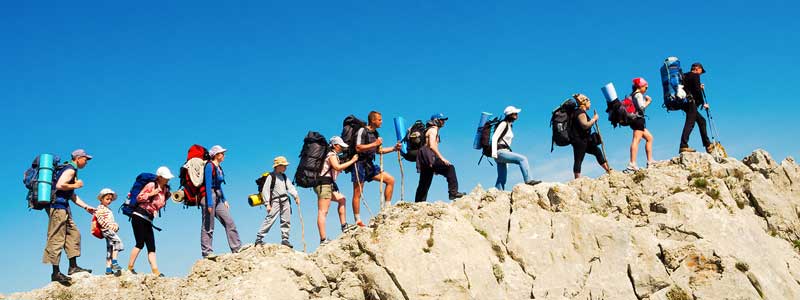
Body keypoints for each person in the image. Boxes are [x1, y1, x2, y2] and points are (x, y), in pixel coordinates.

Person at [43, 149, 96, 286]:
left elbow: (72, 195)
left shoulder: (71, 170)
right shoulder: (70, 170)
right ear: (78, 158)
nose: (86, 162)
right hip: (57, 207)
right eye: (85, 159)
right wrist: (76, 185)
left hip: (64, 207)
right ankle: (55, 273)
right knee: (57, 238)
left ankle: (73, 267)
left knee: (74, 234)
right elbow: (61, 185)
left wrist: (86, 206)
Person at [351, 111, 401, 226]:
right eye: (379, 120)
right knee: (358, 193)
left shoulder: (376, 133)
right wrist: (375, 143)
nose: (381, 121)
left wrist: (394, 148)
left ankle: (387, 208)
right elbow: (358, 148)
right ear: (373, 120)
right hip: (359, 164)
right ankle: (358, 220)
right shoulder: (362, 131)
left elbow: (379, 151)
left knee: (390, 180)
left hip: (370, 165)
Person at [127, 166, 173, 276]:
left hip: (148, 219)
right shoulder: (152, 185)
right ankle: (130, 268)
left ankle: (156, 271)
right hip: (139, 216)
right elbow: (139, 197)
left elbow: (159, 204)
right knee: (140, 243)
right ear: (160, 177)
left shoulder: (165, 190)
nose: (168, 179)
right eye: (166, 177)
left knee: (151, 246)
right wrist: (152, 193)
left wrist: (167, 197)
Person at [201, 145, 242, 258]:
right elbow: (208, 185)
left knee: (229, 222)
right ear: (216, 155)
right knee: (208, 226)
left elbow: (219, 185)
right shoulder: (209, 166)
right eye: (221, 153)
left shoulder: (219, 168)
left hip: (218, 197)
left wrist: (224, 199)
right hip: (208, 197)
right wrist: (209, 203)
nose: (223, 155)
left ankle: (237, 248)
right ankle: (207, 252)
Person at [316, 137, 359, 244]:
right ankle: (323, 239)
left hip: (328, 184)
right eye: (340, 146)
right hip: (323, 184)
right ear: (335, 145)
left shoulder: (332, 154)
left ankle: (344, 226)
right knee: (323, 211)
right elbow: (337, 167)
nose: (342, 148)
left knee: (342, 199)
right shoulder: (331, 154)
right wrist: (352, 161)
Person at [415, 113, 465, 202]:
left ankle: (418, 203)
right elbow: (432, 146)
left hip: (424, 158)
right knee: (450, 168)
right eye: (442, 120)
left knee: (424, 183)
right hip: (429, 156)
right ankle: (453, 193)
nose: (444, 122)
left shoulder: (430, 130)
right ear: (436, 121)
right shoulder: (433, 130)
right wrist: (441, 158)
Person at [491, 106, 542, 189]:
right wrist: (494, 153)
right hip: (499, 152)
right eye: (515, 113)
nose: (517, 114)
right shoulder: (503, 124)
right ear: (510, 114)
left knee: (502, 178)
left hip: (504, 153)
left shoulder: (509, 125)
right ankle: (528, 180)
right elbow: (494, 137)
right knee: (523, 159)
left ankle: (497, 193)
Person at [255, 156, 301, 248]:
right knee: (270, 218)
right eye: (284, 165)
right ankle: (259, 238)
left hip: (285, 200)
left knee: (286, 220)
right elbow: (266, 190)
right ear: (278, 166)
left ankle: (285, 239)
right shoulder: (271, 176)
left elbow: (290, 187)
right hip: (275, 201)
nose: (286, 167)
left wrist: (296, 196)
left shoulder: (284, 177)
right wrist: (267, 204)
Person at [570, 94, 612, 178]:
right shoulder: (580, 112)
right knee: (579, 159)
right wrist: (594, 119)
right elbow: (585, 125)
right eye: (589, 102)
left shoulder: (579, 112)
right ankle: (577, 179)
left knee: (597, 151)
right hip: (579, 140)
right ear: (584, 103)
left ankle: (608, 170)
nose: (590, 104)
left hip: (584, 140)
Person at [679, 62, 712, 154]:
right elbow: (697, 91)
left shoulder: (684, 76)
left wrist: (698, 86)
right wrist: (703, 103)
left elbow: (690, 88)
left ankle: (707, 144)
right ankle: (683, 145)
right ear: (697, 69)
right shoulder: (695, 76)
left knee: (701, 121)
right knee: (690, 123)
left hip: (684, 103)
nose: (701, 74)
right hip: (690, 103)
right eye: (701, 71)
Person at [626, 78, 655, 172]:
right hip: (638, 120)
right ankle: (632, 163)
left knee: (649, 138)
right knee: (636, 139)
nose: (646, 90)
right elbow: (641, 108)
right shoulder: (638, 95)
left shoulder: (632, 95)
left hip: (636, 120)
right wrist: (648, 102)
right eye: (646, 88)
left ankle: (650, 161)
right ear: (641, 86)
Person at [95, 188, 124, 276]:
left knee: (110, 248)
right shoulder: (100, 208)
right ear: (101, 199)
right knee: (117, 242)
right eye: (107, 199)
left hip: (108, 230)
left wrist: (115, 226)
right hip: (107, 230)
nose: (109, 201)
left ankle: (108, 268)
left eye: (110, 199)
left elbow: (112, 221)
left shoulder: (108, 209)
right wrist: (110, 226)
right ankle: (114, 262)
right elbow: (100, 220)